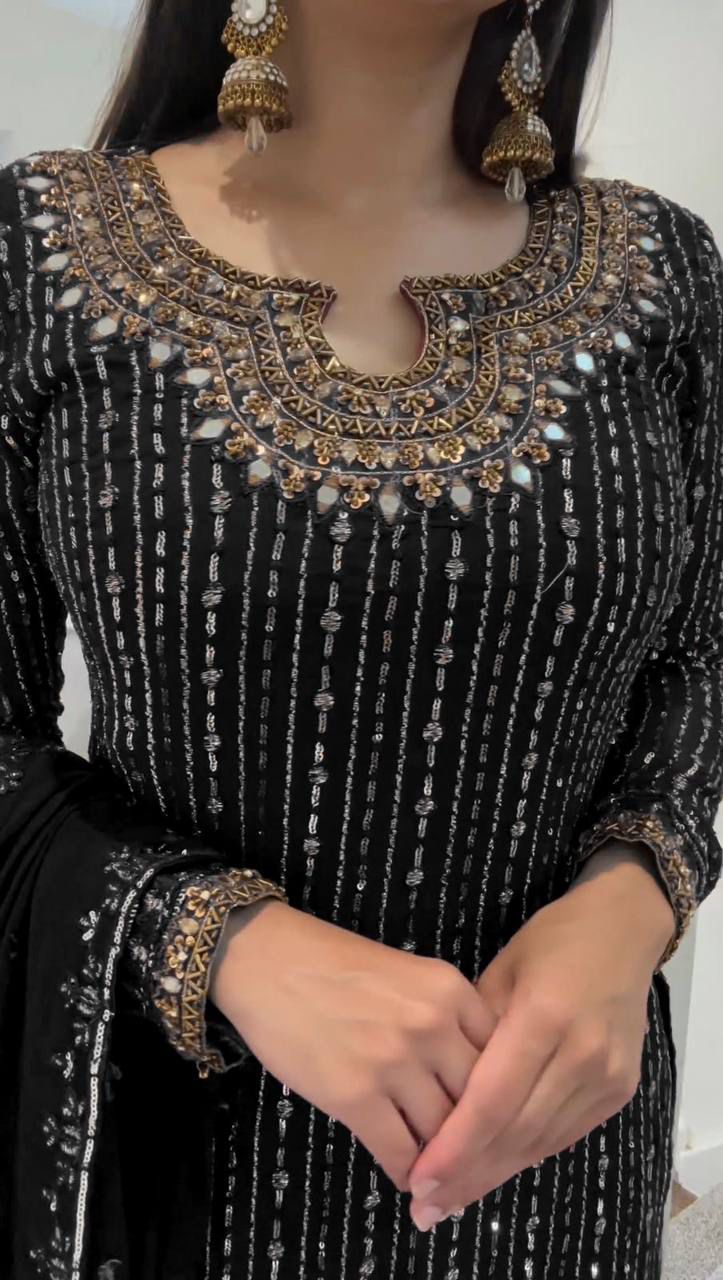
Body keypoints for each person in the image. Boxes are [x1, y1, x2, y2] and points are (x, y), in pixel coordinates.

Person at [0, 0, 721, 1276]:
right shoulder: (41, 250)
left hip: (556, 1170)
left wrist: (630, 899)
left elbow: (702, 658)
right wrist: (218, 935)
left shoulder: (663, 272)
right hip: (186, 1172)